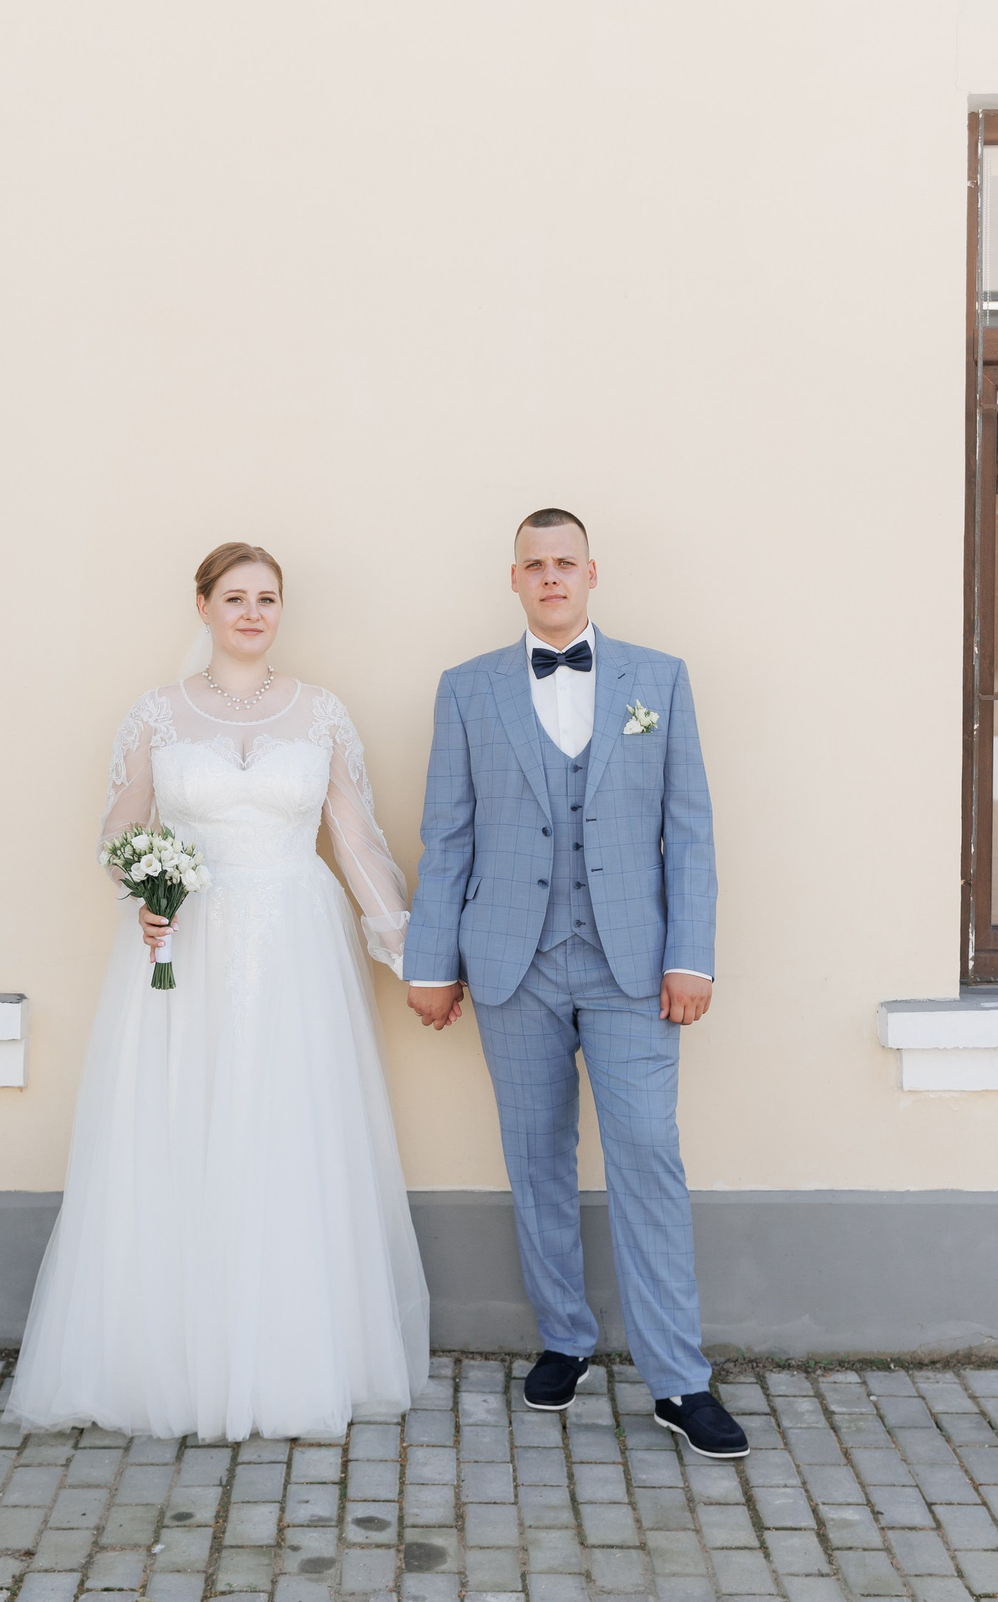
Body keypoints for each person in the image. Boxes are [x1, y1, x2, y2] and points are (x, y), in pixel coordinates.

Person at [6, 543, 430, 1440]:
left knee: (287, 1127)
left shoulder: (320, 711)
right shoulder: (157, 715)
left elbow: (355, 839)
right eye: (234, 596)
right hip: (188, 945)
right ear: (201, 605)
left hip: (296, 947)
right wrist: (145, 896)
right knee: (182, 1123)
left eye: (267, 598)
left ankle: (291, 1356)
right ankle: (174, 1356)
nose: (251, 612)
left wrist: (408, 953)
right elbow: (119, 832)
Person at [403, 509, 747, 1460]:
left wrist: (691, 955)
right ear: (513, 578)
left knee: (647, 1151)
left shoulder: (658, 679)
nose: (550, 576)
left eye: (566, 562)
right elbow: (447, 835)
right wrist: (431, 961)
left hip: (632, 962)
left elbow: (692, 828)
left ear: (593, 573)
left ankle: (679, 1379)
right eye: (534, 564)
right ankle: (565, 1338)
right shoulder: (467, 688)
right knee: (536, 1153)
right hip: (510, 959)